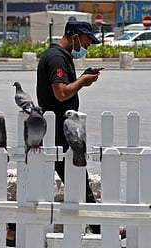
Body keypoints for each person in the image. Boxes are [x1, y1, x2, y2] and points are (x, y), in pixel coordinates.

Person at [6, 21, 104, 246]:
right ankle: (101, 227)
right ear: (75, 36)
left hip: (54, 130)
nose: (86, 49)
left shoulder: (60, 55)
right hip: (59, 131)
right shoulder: (57, 57)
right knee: (77, 179)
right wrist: (82, 81)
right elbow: (60, 93)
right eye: (86, 43)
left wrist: (82, 79)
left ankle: (12, 230)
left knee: (39, 183)